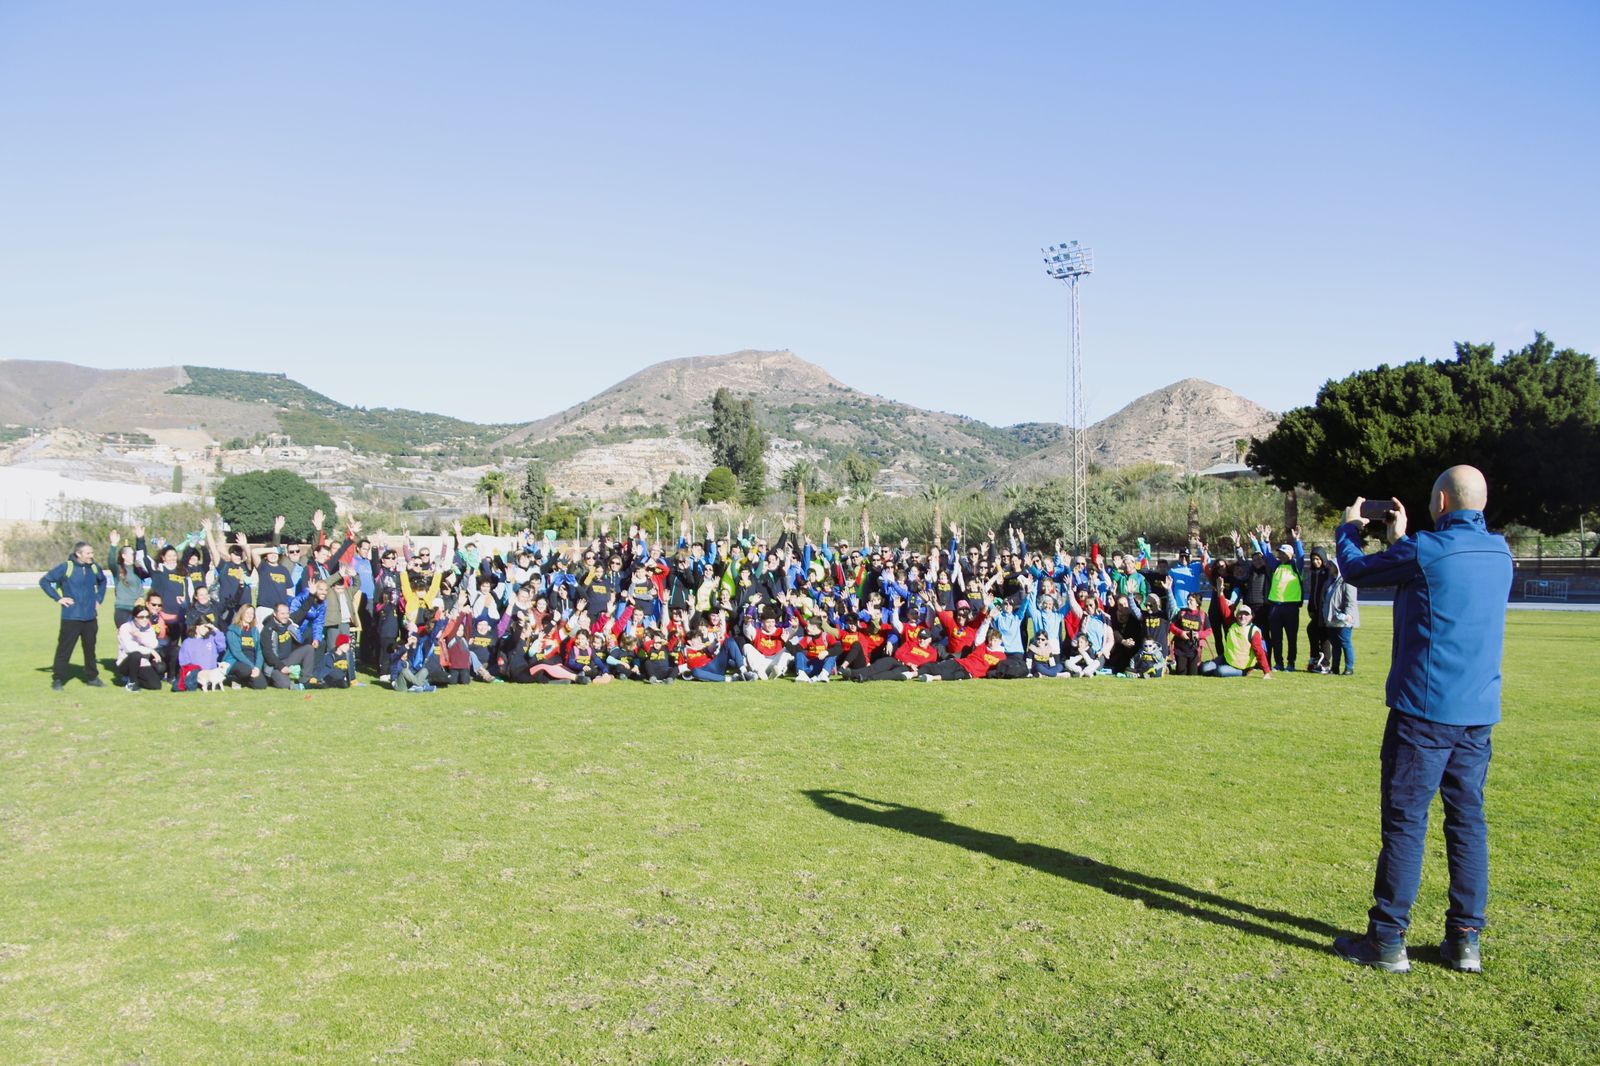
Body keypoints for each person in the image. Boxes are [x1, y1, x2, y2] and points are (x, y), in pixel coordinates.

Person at [1331, 466, 1512, 975]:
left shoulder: (1427, 550)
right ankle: (1465, 940)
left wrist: (1349, 528)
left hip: (1424, 712)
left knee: (1407, 824)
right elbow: (1440, 574)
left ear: (1441, 502)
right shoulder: (1499, 552)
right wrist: (1402, 538)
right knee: (1468, 823)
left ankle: (1387, 940)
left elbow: (1358, 571)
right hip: (1477, 715)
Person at [40, 541, 110, 690]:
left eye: (92, 552)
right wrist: (59, 598)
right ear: (78, 554)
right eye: (88, 553)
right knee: (65, 649)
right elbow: (44, 581)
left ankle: (92, 677)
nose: (92, 556)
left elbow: (103, 582)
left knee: (90, 649)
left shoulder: (94, 567)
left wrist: (99, 598)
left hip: (90, 617)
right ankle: (58, 679)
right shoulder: (67, 567)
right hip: (71, 617)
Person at [116, 602, 164, 690]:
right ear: (134, 617)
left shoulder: (149, 628)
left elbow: (154, 644)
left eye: (147, 617)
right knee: (136, 655)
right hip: (126, 663)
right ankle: (131, 683)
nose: (145, 619)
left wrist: (140, 637)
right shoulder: (125, 628)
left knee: (156, 685)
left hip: (143, 662)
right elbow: (129, 649)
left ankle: (135, 679)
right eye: (141, 617)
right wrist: (150, 651)